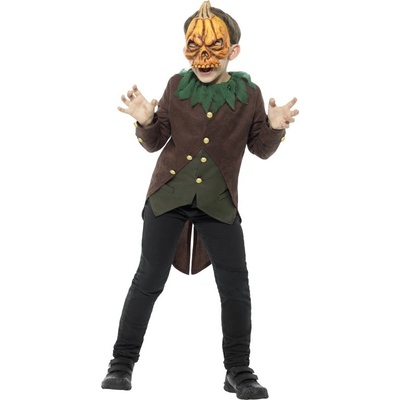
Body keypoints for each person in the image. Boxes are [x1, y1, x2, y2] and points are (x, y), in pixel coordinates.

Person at [101, 1, 299, 398]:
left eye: (215, 47)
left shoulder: (249, 94)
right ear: (185, 47)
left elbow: (260, 148)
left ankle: (238, 370)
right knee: (148, 278)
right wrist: (145, 120)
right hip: (167, 196)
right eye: (194, 46)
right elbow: (155, 142)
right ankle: (121, 363)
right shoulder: (176, 87)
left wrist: (275, 127)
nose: (204, 58)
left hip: (218, 202)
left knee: (235, 285)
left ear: (233, 51)